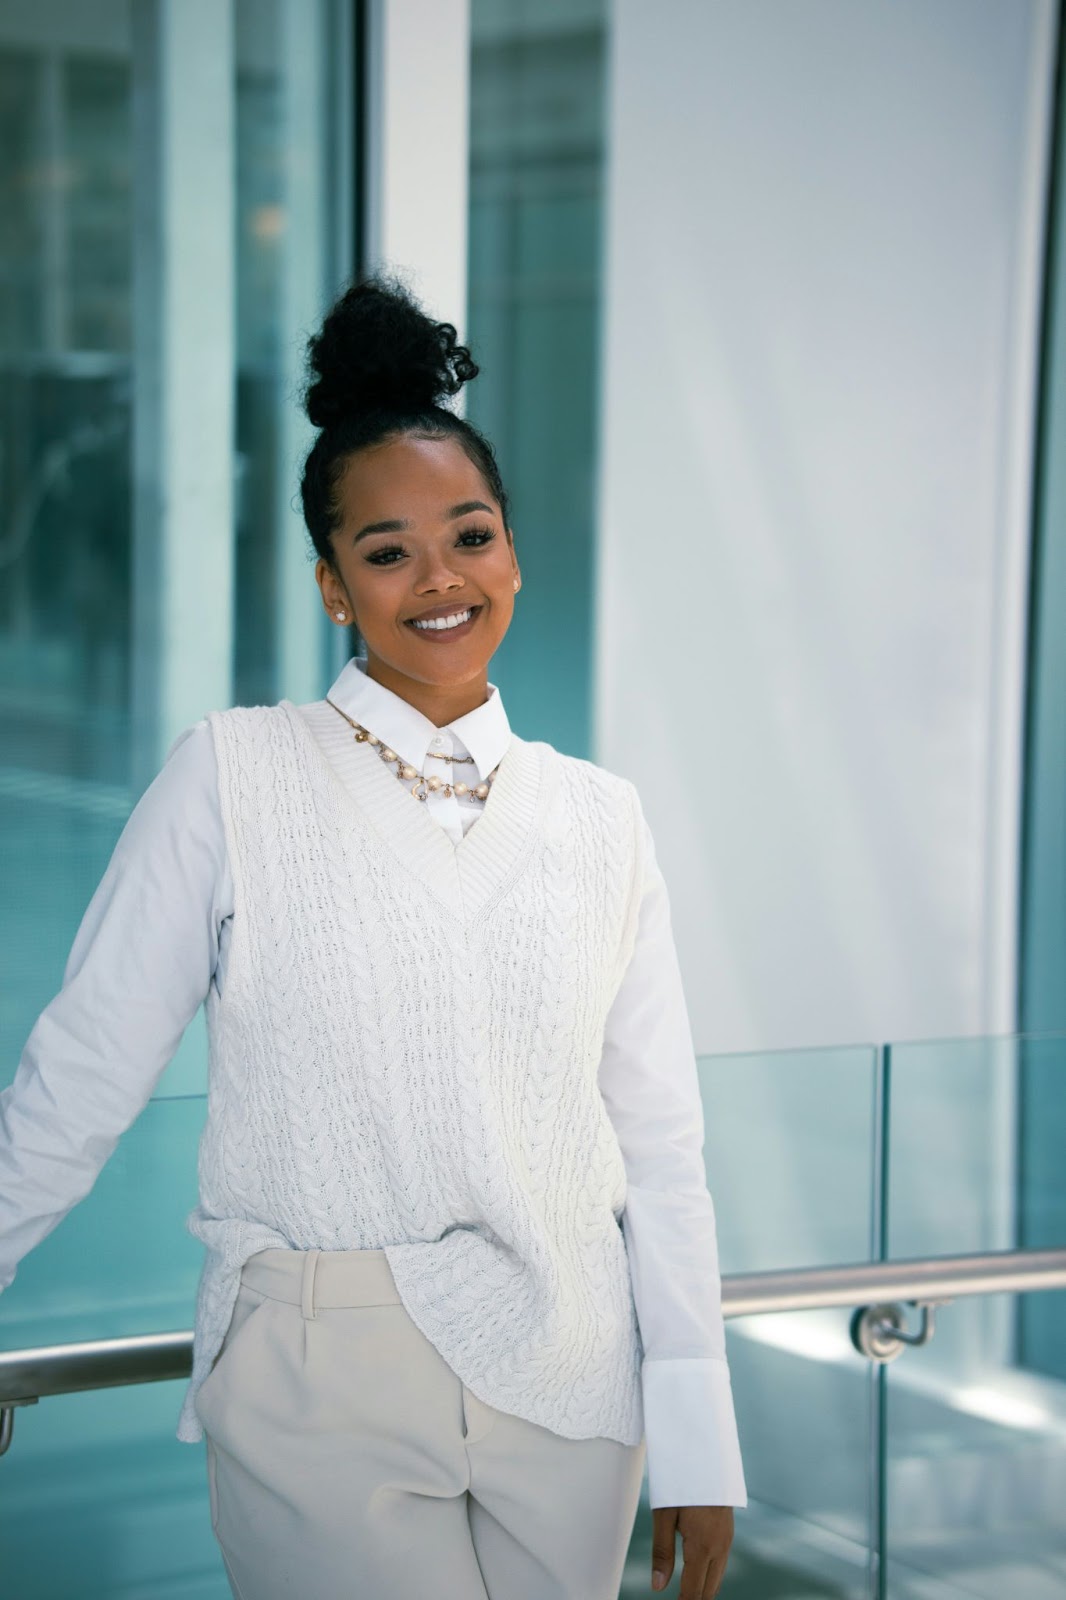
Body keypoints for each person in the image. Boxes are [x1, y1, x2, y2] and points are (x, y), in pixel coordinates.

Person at [0, 275, 746, 1600]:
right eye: (388, 551)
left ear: (513, 547)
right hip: (316, 1374)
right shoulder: (230, 776)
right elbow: (78, 1082)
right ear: (333, 585)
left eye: (470, 534)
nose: (440, 578)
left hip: (577, 1382)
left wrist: (700, 1437)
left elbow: (660, 1149)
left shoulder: (601, 818)